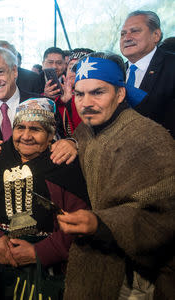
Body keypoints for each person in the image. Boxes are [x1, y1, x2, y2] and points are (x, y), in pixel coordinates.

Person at [57, 52, 175, 299]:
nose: (86, 103)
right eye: (80, 94)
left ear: (120, 94)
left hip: (139, 277)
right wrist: (71, 141)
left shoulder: (150, 138)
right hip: (97, 263)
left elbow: (165, 211)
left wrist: (102, 223)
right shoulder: (86, 130)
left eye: (98, 92)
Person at [0, 98, 89, 299]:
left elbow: (80, 224)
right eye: (20, 128)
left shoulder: (64, 168)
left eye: (35, 129)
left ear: (51, 135)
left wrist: (40, 252)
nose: (25, 136)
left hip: (47, 271)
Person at [0, 47, 76, 169]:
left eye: (0, 72)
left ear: (14, 71)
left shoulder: (42, 103)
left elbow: (61, 139)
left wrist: (70, 143)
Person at [120, 10, 175, 137]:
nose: (127, 38)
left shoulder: (171, 65)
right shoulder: (116, 72)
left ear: (156, 35)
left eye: (135, 31)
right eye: (123, 34)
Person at [56, 48, 93, 137]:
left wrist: (70, 102)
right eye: (71, 67)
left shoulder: (96, 97)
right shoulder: (59, 97)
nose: (73, 72)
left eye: (79, 67)